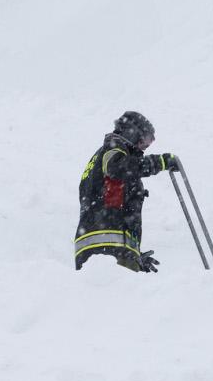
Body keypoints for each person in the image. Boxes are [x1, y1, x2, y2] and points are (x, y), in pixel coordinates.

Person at [73, 111, 181, 273]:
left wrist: (133, 254)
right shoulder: (114, 148)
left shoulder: (103, 157)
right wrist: (158, 162)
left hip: (100, 245)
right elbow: (118, 168)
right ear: (131, 132)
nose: (143, 148)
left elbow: (112, 202)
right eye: (144, 141)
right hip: (107, 244)